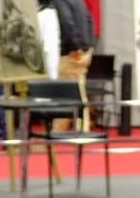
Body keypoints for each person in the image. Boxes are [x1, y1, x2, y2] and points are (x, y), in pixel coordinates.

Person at [51, 0, 94, 130]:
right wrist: (88, 47)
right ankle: (79, 128)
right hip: (83, 51)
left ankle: (74, 129)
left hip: (71, 53)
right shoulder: (79, 2)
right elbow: (89, 21)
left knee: (66, 94)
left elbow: (67, 23)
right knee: (78, 92)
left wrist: (76, 46)